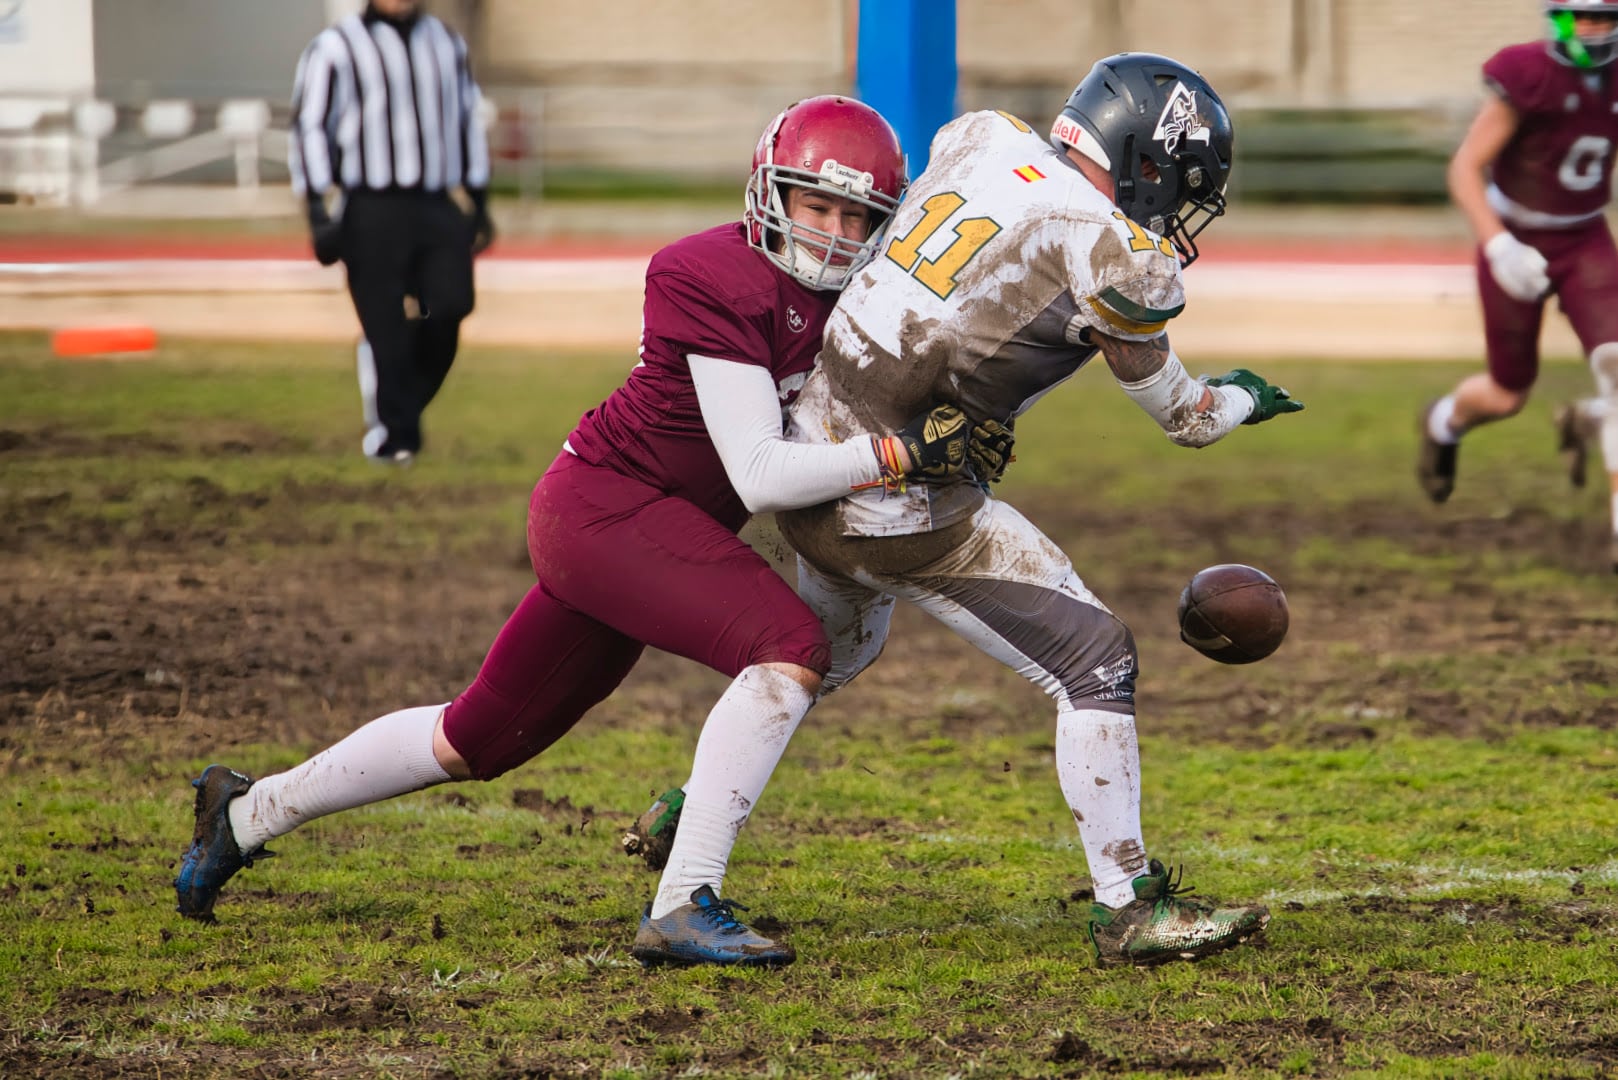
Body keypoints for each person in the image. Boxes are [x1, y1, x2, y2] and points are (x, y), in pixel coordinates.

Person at [176, 97, 974, 959]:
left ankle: (244, 813)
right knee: (788, 644)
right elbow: (758, 472)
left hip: (656, 531)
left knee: (474, 739)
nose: (836, 235)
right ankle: (683, 900)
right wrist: (898, 455)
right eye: (817, 206)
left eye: (859, 217)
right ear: (769, 192)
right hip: (606, 509)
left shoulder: (860, 300)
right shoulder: (708, 273)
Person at [637, 53, 1303, 969]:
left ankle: (690, 820)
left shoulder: (983, 137)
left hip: (813, 454)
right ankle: (1128, 905)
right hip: (895, 494)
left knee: (818, 655)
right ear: (1147, 162)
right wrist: (1243, 398)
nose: (1178, 209)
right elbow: (1185, 417)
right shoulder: (1110, 244)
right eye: (1181, 184)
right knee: (1095, 658)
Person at [1417, 0, 1618, 573]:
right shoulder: (1529, 74)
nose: (1591, 29)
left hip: (1584, 236)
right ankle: (1443, 422)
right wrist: (1498, 244)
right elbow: (1464, 168)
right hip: (1515, 232)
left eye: (1603, 17)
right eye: (1579, 17)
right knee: (1508, 393)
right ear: (1558, 18)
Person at [289, 0, 495, 465]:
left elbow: (468, 118)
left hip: (435, 202)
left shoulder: (446, 43)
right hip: (370, 205)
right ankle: (397, 439)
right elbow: (310, 127)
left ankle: (396, 401)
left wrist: (479, 199)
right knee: (386, 326)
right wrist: (317, 211)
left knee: (451, 305)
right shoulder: (336, 47)